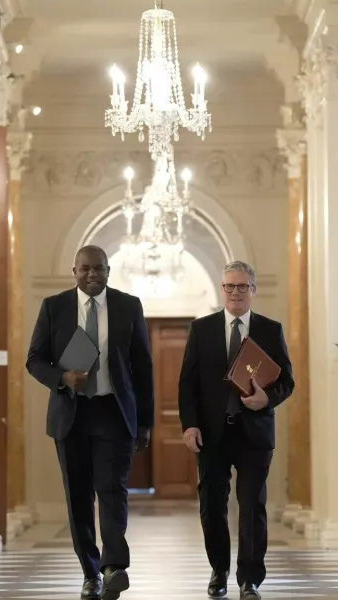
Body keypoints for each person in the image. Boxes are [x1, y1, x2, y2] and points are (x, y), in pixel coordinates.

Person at [26, 245, 154, 600]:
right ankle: (90, 573)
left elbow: (143, 368)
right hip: (72, 416)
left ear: (109, 271)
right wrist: (62, 377)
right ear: (74, 271)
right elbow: (34, 360)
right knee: (79, 497)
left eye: (99, 268)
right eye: (85, 268)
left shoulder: (129, 306)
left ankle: (113, 566)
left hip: (114, 413)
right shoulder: (55, 308)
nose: (92, 274)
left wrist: (145, 423)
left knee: (113, 492)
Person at [178, 261, 294, 600]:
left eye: (242, 287)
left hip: (254, 435)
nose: (235, 293)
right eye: (229, 286)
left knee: (252, 506)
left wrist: (266, 399)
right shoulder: (202, 329)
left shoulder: (271, 331)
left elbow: (287, 381)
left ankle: (250, 579)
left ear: (253, 290)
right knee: (212, 507)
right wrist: (189, 425)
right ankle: (219, 569)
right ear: (222, 289)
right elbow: (187, 385)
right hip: (211, 436)